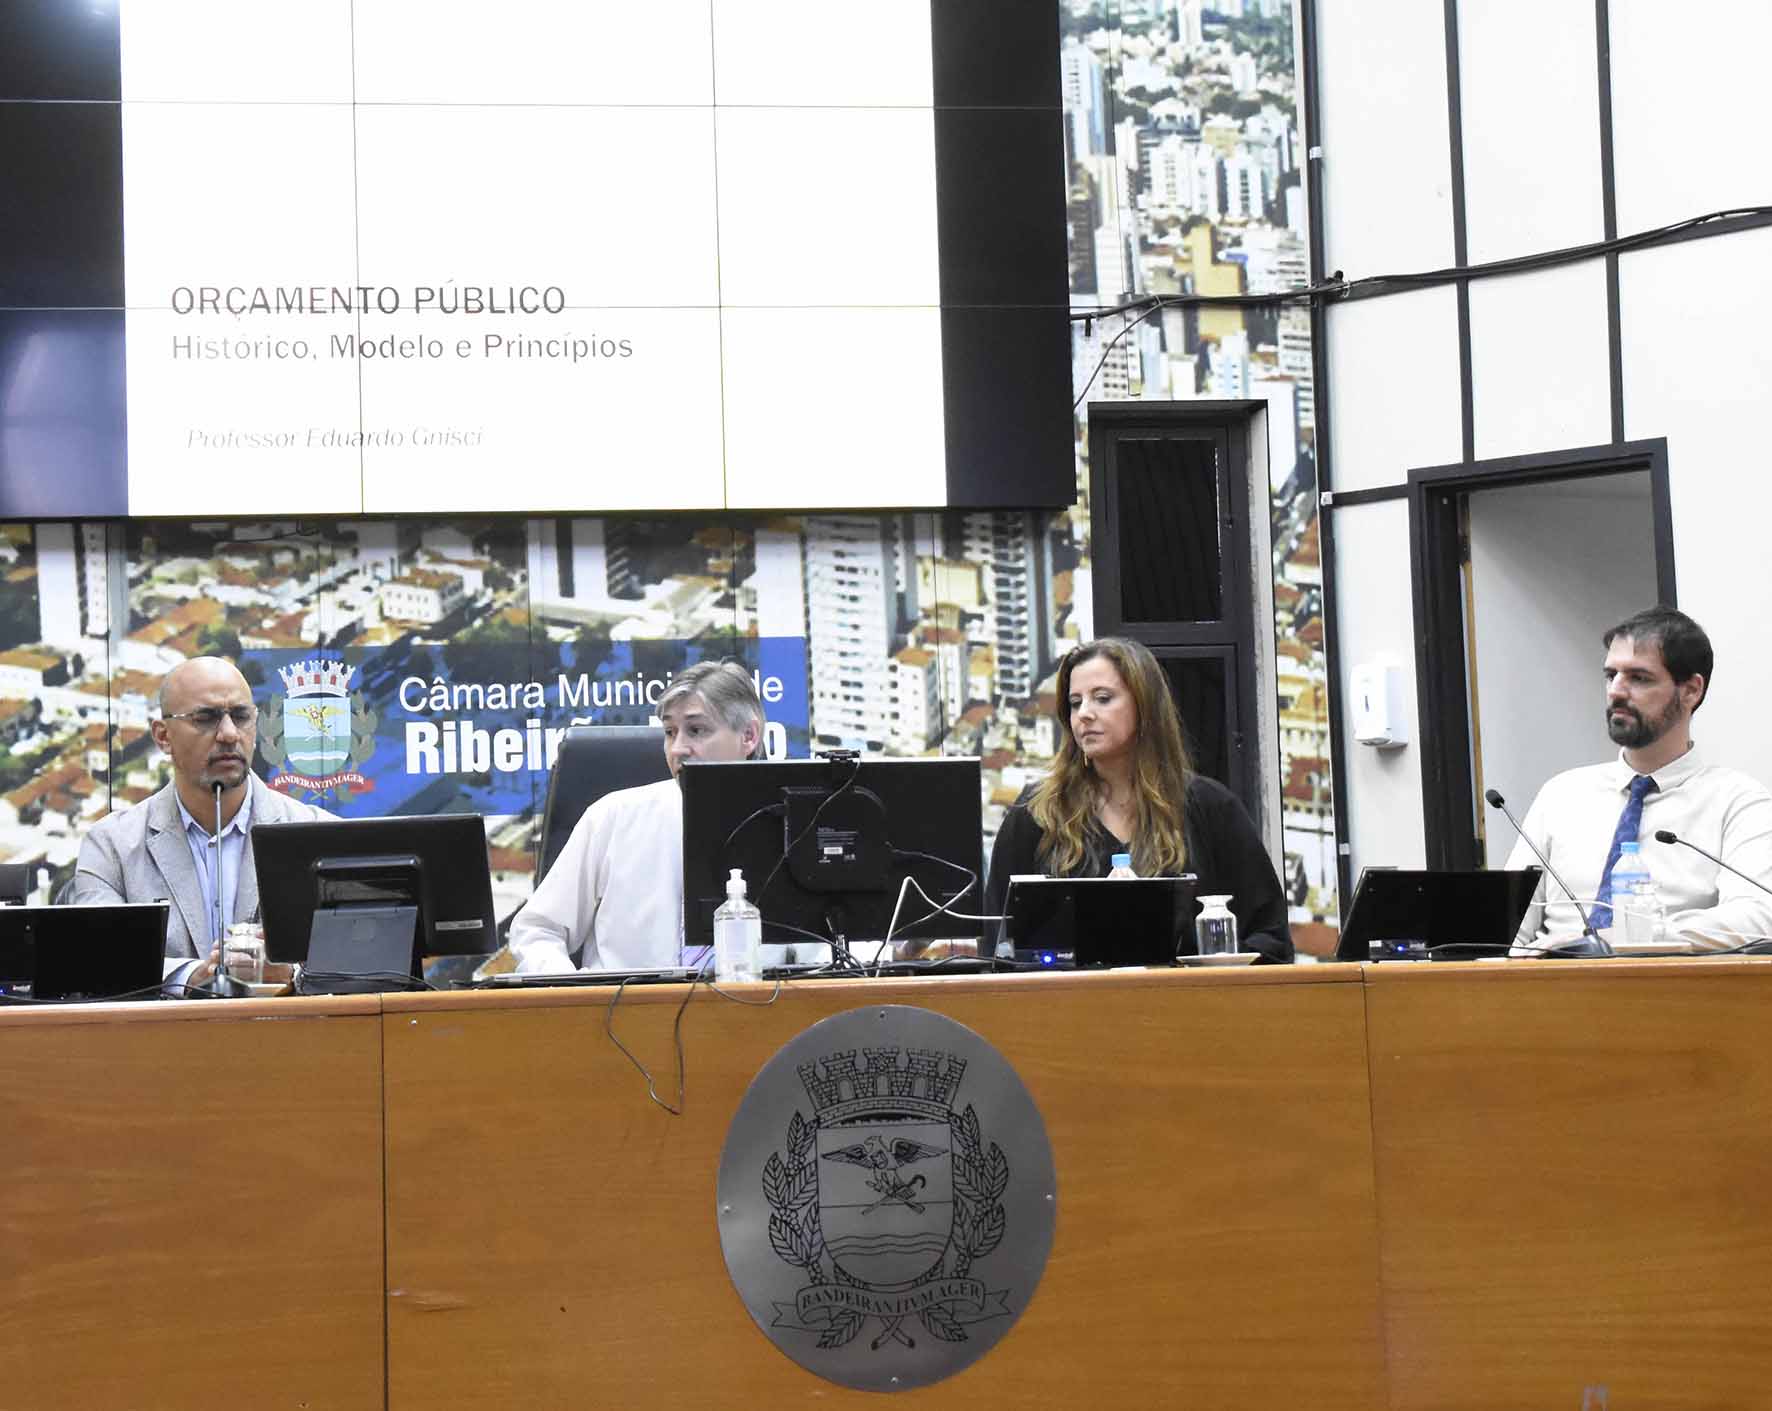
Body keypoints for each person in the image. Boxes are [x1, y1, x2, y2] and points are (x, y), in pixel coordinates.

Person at [985, 637, 1292, 963]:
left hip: (1189, 1007)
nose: (1085, 714)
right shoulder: (1036, 812)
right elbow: (998, 946)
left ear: (1144, 706)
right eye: (1075, 703)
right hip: (1066, 1009)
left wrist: (1214, 967)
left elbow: (1270, 938)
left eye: (1102, 698)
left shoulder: (1209, 807)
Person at [1507, 606, 1772, 952]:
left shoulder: (1738, 801)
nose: (1616, 691)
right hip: (1550, 989)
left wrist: (1637, 936)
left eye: (1639, 678)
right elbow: (1507, 928)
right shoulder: (1562, 794)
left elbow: (1758, 916)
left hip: (1666, 994)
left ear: (1691, 690)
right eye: (1611, 675)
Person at [70, 656, 332, 983]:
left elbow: (364, 957)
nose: (228, 734)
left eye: (241, 716)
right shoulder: (112, 846)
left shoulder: (319, 834)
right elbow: (94, 957)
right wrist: (192, 976)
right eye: (206, 718)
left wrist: (290, 974)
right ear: (163, 736)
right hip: (162, 1034)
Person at [509, 659, 766, 972]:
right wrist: (576, 999)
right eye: (670, 732)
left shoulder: (791, 824)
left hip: (759, 1014)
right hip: (620, 1014)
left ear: (749, 736)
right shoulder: (612, 818)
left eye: (696, 730)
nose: (677, 749)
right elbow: (537, 930)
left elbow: (827, 952)